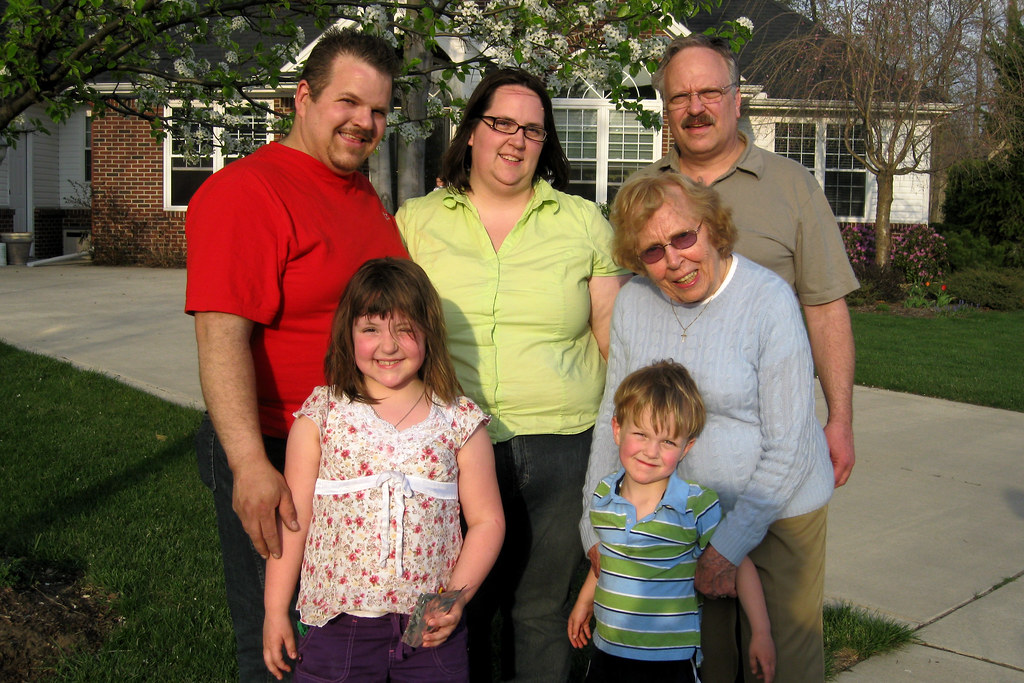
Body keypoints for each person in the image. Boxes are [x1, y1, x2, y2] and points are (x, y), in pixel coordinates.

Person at [185, 28, 407, 681]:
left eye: (378, 111)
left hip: (353, 450)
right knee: (275, 637)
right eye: (348, 102)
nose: (364, 122)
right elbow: (220, 338)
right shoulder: (247, 193)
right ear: (302, 98)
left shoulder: (358, 192)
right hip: (278, 446)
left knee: (344, 632)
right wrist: (250, 464)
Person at [396, 68, 632, 681]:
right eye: (501, 123)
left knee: (541, 613)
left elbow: (616, 343)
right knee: (454, 609)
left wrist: (630, 451)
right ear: (472, 130)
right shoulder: (416, 223)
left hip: (562, 448)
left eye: (532, 129)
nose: (515, 139)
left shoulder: (583, 223)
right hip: (447, 450)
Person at [580, 172, 834, 682]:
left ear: (712, 228)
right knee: (707, 664)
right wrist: (593, 528)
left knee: (780, 667)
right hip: (682, 520)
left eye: (683, 237)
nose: (673, 260)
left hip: (777, 511)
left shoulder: (768, 300)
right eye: (652, 251)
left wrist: (727, 547)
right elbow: (615, 413)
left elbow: (792, 446)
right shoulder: (633, 301)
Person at [262, 258, 504, 681]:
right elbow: (293, 521)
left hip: (427, 628)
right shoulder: (323, 417)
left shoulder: (459, 421)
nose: (388, 346)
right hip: (337, 626)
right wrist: (274, 609)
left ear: (429, 331)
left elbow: (487, 521)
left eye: (405, 329)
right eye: (371, 329)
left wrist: (451, 601)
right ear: (348, 334)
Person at [643, 33, 859, 490]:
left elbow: (824, 308)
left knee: (780, 561)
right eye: (680, 96)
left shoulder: (792, 186)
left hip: (773, 450)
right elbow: (625, 311)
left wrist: (839, 418)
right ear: (667, 110)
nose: (695, 108)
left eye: (710, 93)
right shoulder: (641, 193)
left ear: (737, 101)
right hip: (664, 454)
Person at [568, 361, 775, 683]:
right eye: (641, 434)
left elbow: (739, 563)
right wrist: (584, 603)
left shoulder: (695, 505)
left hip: (670, 660)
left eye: (667, 442)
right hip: (608, 650)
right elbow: (608, 560)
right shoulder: (604, 495)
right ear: (617, 429)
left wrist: (761, 632)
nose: (651, 451)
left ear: (686, 447)